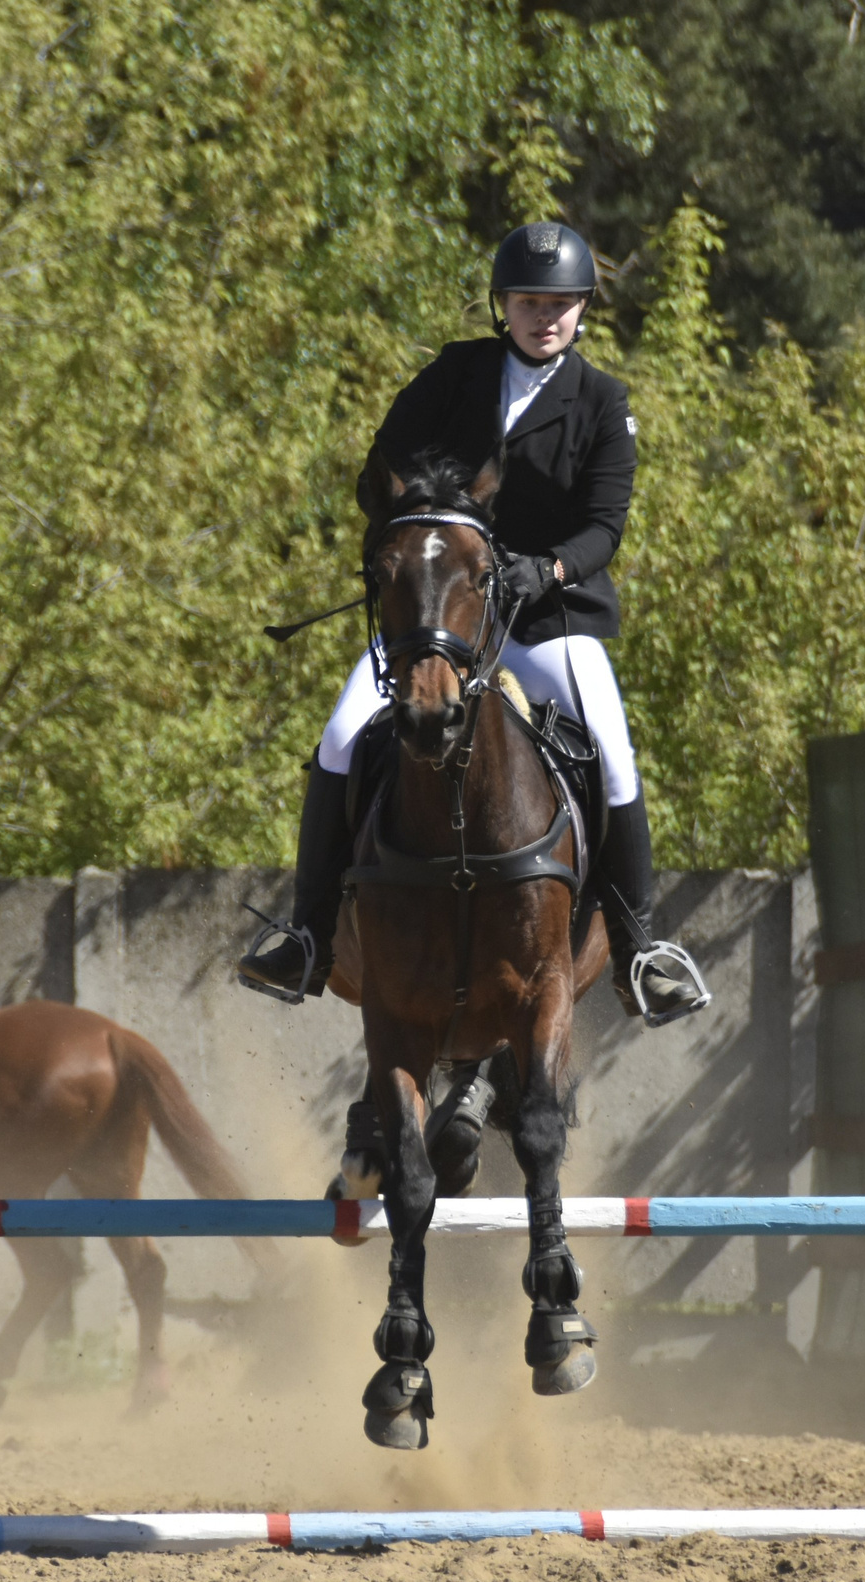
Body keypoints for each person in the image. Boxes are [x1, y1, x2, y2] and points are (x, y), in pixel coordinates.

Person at [238, 220, 708, 1026]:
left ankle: (639, 947)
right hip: (440, 616)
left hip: (545, 617)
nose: (545, 317)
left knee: (616, 751)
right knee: (343, 735)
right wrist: (425, 516)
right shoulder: (455, 373)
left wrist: (546, 567)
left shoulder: (601, 402)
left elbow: (604, 527)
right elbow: (377, 473)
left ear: (583, 309)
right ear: (505, 308)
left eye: (561, 303)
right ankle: (309, 934)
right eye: (530, 302)